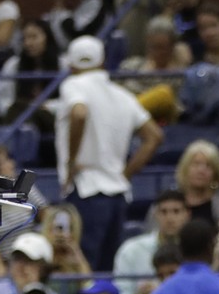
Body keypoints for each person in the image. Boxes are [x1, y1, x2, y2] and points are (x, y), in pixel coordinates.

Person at [56, 35, 163, 272]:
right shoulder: (123, 95)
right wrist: (124, 174)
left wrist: (72, 161)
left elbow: (79, 113)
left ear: (71, 65)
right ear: (103, 62)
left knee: (82, 269)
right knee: (106, 270)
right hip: (118, 195)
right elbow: (154, 137)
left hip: (86, 191)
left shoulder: (72, 85)